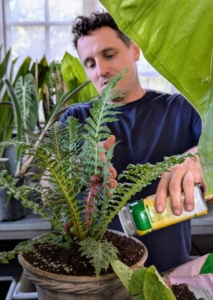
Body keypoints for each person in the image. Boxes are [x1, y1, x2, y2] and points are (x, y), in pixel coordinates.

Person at [60, 11, 204, 272]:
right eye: (90, 63)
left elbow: (211, 147)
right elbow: (47, 182)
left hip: (168, 279)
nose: (101, 70)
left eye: (109, 54)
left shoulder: (181, 110)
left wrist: (199, 158)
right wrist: (75, 169)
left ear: (135, 50)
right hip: (94, 282)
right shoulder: (75, 119)